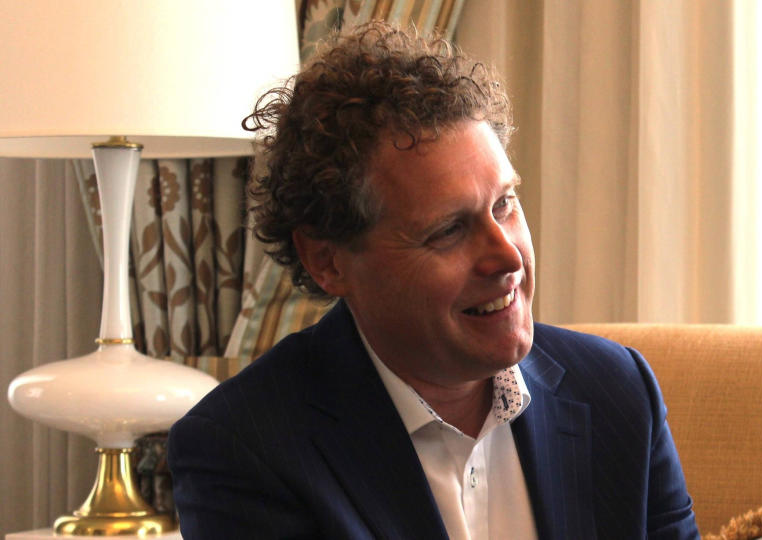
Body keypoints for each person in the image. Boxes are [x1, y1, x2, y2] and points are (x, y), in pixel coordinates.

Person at [167, 21, 700, 540]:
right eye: (449, 230)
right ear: (327, 261)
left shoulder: (617, 391)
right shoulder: (243, 448)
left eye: (504, 204)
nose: (507, 255)